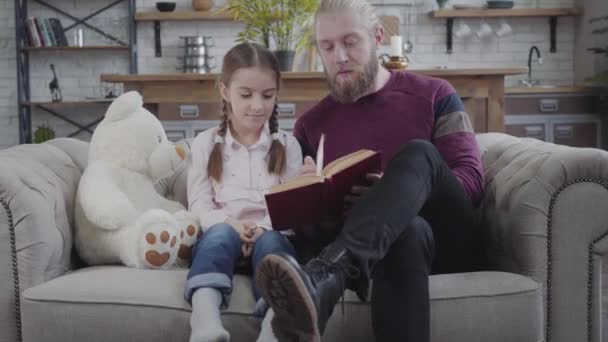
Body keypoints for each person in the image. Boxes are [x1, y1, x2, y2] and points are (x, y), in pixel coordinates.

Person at [255, 0, 485, 341]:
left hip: (447, 239)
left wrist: (396, 194)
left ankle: (328, 275)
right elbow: (306, 233)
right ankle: (334, 271)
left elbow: (471, 180)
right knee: (406, 232)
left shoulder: (436, 94)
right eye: (327, 46)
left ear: (377, 36)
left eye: (350, 42)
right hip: (388, 250)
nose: (339, 56)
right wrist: (309, 200)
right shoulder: (310, 125)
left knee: (419, 155)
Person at [185, 42, 303, 342]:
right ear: (225, 91)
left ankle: (273, 328)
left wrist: (260, 229)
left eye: (268, 95)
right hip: (223, 234)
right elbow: (199, 204)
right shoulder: (204, 143)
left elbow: (291, 211)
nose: (258, 106)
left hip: (269, 237)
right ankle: (205, 322)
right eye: (246, 95)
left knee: (274, 242)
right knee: (219, 236)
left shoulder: (288, 146)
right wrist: (232, 226)